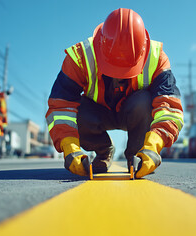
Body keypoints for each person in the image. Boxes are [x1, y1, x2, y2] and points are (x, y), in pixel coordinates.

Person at [46, 8, 184, 178]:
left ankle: (137, 155)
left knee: (144, 101)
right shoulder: (80, 58)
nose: (119, 75)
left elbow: (169, 107)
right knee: (75, 111)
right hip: (97, 114)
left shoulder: (157, 58)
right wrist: (70, 147)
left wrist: (154, 145)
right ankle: (104, 152)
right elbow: (61, 106)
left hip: (134, 112)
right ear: (100, 48)